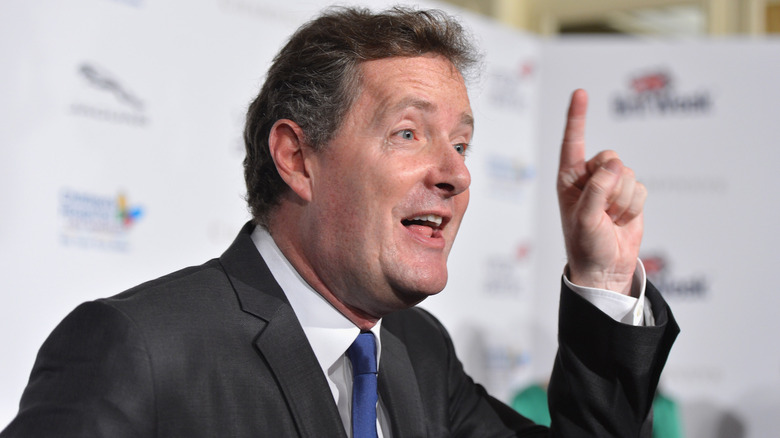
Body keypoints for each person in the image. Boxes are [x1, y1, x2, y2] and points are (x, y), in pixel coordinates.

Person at [1, 6, 678, 438]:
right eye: (408, 133)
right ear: (298, 159)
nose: (456, 173)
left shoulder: (418, 351)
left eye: (462, 144)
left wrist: (603, 276)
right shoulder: (138, 350)